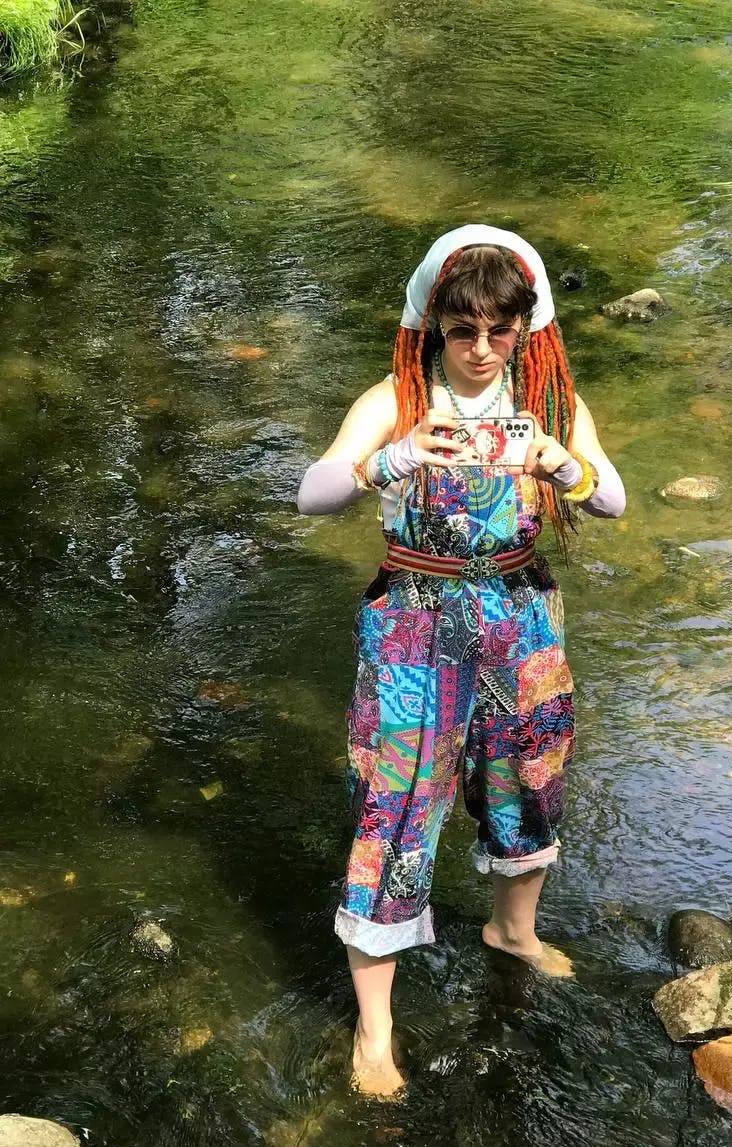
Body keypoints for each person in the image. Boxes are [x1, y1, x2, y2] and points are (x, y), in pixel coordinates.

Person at [297, 225, 626, 1098]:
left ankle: (512, 932)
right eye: (461, 331)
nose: (482, 350)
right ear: (433, 325)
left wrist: (567, 467)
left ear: (526, 326)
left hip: (521, 619)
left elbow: (614, 500)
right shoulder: (396, 399)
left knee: (529, 779)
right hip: (413, 622)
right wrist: (393, 458)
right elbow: (311, 493)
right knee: (397, 805)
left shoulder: (551, 401)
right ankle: (375, 1030)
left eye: (500, 331)